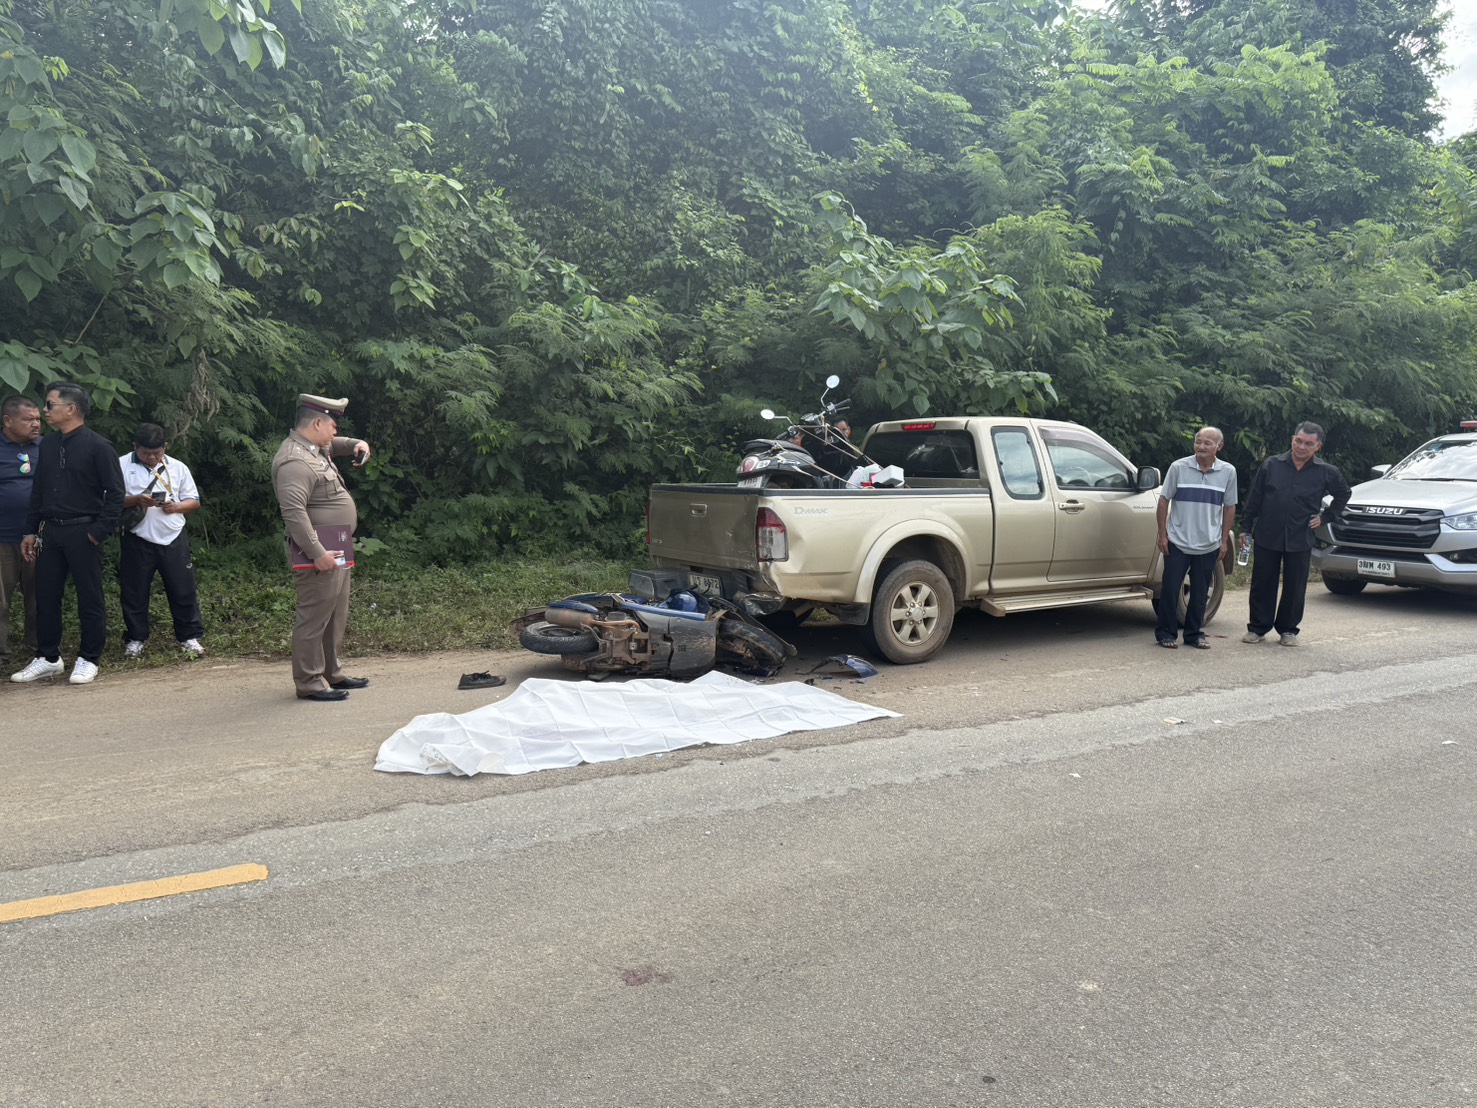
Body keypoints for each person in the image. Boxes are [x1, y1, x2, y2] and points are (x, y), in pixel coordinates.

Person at [11, 383, 125, 685]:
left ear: (71, 409)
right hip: (51, 531)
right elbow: (38, 491)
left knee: (90, 597)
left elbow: (116, 494)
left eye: (50, 405)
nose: (45, 411)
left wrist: (98, 532)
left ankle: (89, 658)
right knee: (46, 597)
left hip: (84, 531)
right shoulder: (48, 445)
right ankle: (49, 657)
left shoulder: (99, 446)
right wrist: (30, 530)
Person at [272, 394, 372, 701]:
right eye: (332, 426)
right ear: (317, 423)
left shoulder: (313, 448)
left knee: (335, 613)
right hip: (318, 550)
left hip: (336, 544)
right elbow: (294, 513)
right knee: (314, 617)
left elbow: (335, 445)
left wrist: (356, 444)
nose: (335, 432)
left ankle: (331, 672)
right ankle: (309, 681)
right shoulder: (294, 462)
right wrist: (317, 554)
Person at [1240, 421, 1352, 646]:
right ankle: (1258, 628)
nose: (1301, 447)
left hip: (1301, 535)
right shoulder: (1272, 465)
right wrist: (1245, 528)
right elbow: (1254, 497)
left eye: (1308, 444)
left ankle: (1288, 630)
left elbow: (1343, 494)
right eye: (1298, 441)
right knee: (1263, 582)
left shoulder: (1326, 471)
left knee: (1295, 585)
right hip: (1268, 533)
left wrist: (1325, 517)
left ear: (1318, 447)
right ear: (1292, 439)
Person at [118, 423, 206, 658]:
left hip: (173, 536)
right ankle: (136, 638)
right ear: (135, 447)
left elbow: (194, 501)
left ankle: (189, 636)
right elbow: (109, 500)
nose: (152, 458)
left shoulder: (178, 467)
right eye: (146, 453)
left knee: (183, 588)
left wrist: (176, 507)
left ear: (165, 447)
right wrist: (137, 500)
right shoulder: (121, 465)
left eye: (157, 453)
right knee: (134, 591)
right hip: (138, 537)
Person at [1154, 426, 1237, 649]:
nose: (1201, 446)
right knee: (1170, 590)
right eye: (1198, 441)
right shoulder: (1178, 467)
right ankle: (1165, 633)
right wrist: (1162, 535)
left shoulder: (1228, 472)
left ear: (1219, 447)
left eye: (1207, 443)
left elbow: (1230, 507)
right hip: (1177, 540)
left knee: (1200, 593)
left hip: (1209, 542)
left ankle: (1194, 634)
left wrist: (1223, 541)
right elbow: (1163, 501)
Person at [0, 396, 42, 667]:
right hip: (3, 537)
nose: (36, 424)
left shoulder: (47, 447)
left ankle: (41, 649)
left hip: (39, 536)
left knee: (40, 596)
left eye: (38, 418)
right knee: (0, 601)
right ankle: (1, 654)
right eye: (29, 419)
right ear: (8, 421)